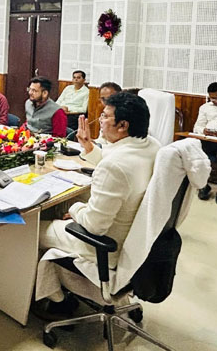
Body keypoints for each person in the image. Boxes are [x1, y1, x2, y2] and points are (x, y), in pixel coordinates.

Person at [38, 93, 161, 314]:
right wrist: (88, 146)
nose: (99, 121)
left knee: (32, 229)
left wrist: (73, 209)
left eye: (104, 116)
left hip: (104, 245)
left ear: (122, 125)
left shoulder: (116, 165)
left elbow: (95, 226)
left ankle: (59, 301)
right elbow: (119, 164)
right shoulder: (151, 146)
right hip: (136, 239)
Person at [193, 82, 217, 206]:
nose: (216, 101)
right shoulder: (205, 107)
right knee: (195, 156)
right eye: (212, 98)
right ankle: (203, 186)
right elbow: (197, 126)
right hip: (207, 141)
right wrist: (203, 130)